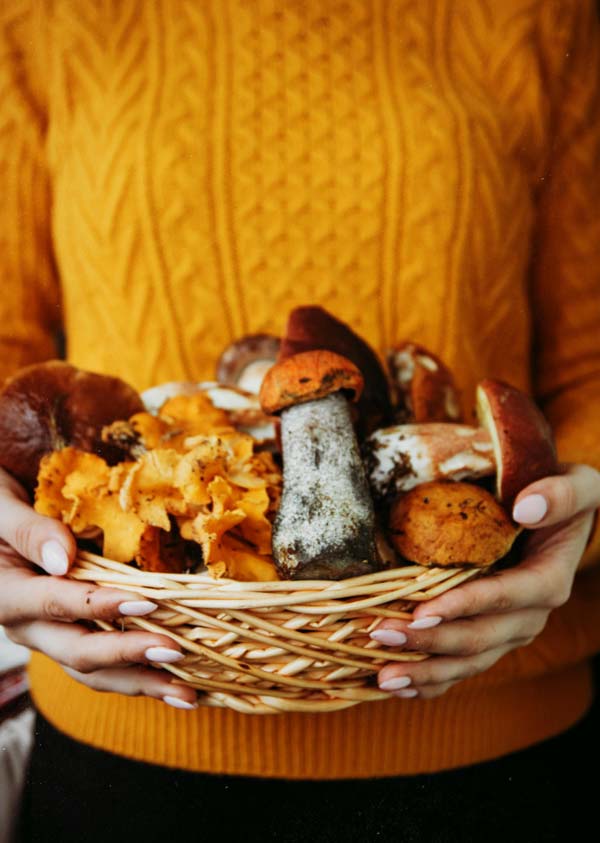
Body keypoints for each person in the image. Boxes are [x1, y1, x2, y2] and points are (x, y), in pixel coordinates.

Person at [1, 0, 600, 840]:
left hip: (495, 737)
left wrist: (576, 509)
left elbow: (588, 366)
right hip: (132, 734)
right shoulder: (42, 19)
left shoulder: (541, 16)